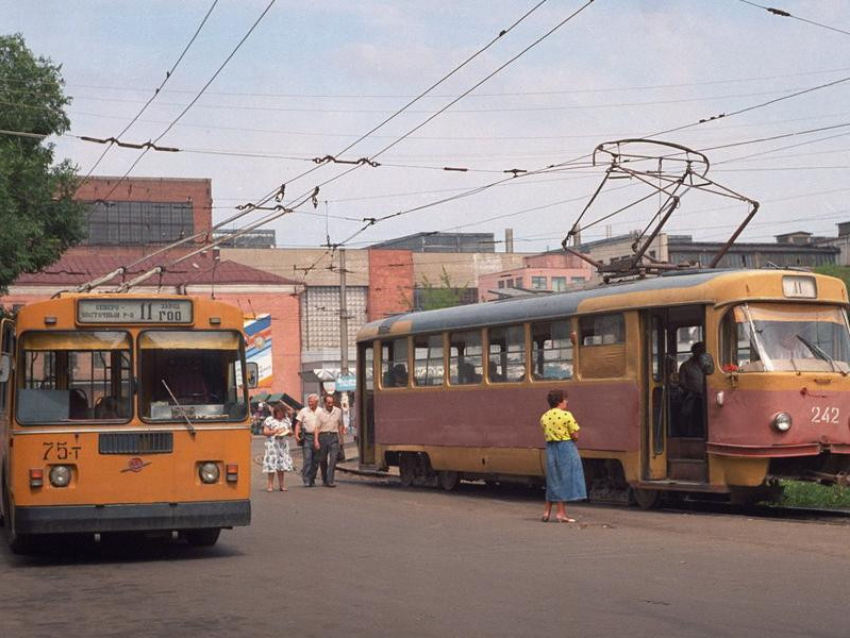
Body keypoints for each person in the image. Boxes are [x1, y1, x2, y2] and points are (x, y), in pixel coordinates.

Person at [540, 388, 586, 523]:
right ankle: (561, 513)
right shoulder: (566, 415)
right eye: (565, 399)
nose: (567, 401)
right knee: (564, 479)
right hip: (565, 447)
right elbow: (575, 434)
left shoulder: (544, 417)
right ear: (559, 401)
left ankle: (546, 512)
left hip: (551, 448)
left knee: (553, 479)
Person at [678, 342, 714, 437]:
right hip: (693, 397)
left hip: (708, 397)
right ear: (694, 352)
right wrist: (691, 390)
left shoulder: (709, 366)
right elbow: (681, 382)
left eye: (703, 351)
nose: (701, 353)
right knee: (692, 419)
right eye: (699, 351)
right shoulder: (686, 366)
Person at [310, 394, 346, 487]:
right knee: (323, 459)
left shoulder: (338, 411)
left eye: (332, 402)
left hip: (334, 436)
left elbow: (340, 425)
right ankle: (325, 479)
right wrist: (316, 440)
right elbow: (317, 428)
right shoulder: (320, 413)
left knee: (333, 459)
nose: (330, 404)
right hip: (323, 436)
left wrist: (341, 439)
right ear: (325, 403)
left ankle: (330, 480)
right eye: (328, 403)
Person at [262, 404, 293, 492]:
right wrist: (275, 431)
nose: (281, 415)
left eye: (282, 413)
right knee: (271, 465)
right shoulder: (270, 420)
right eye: (279, 413)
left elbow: (291, 432)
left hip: (282, 445)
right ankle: (270, 485)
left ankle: (282, 485)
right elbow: (265, 431)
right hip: (272, 445)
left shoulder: (286, 420)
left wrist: (287, 432)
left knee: (281, 466)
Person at [294, 394, 321, 487]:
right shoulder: (303, 411)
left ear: (317, 402)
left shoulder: (321, 411)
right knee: (307, 459)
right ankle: (306, 479)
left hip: (318, 438)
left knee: (316, 460)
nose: (310, 403)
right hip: (307, 438)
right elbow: (298, 424)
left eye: (312, 401)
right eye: (309, 401)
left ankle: (312, 479)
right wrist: (296, 435)